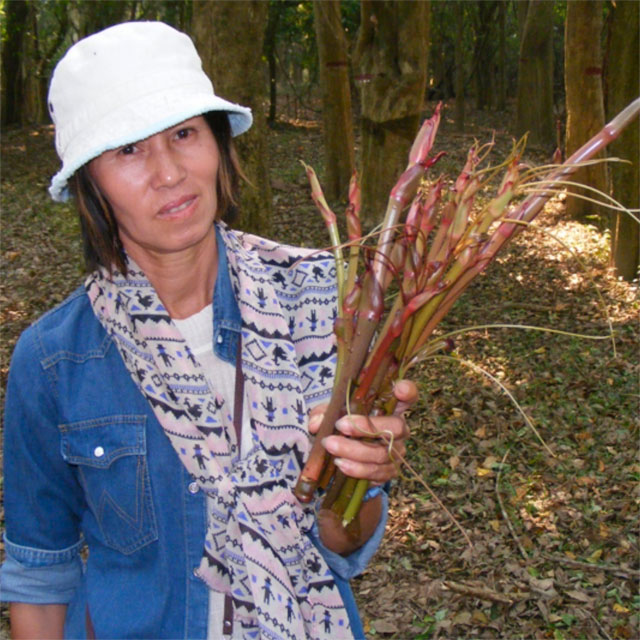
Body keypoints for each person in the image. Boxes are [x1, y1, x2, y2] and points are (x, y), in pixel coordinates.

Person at [0, 22, 417, 640]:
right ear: (90, 181)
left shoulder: (318, 305)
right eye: (129, 150)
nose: (169, 172)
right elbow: (41, 577)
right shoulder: (55, 360)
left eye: (184, 134)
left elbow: (343, 544)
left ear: (218, 143)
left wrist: (358, 478)